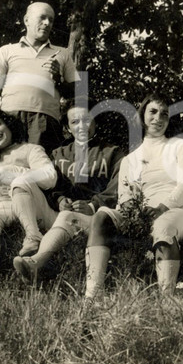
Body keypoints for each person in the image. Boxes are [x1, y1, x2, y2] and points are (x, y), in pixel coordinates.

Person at [83, 93, 183, 298]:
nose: (158, 118)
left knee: (163, 226)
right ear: (143, 115)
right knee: (101, 216)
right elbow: (125, 196)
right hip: (142, 212)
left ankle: (166, 298)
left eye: (164, 114)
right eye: (153, 112)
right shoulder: (129, 159)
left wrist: (161, 208)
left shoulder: (181, 147)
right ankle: (91, 295)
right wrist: (132, 212)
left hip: (176, 209)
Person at [13, 97, 124, 284]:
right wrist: (59, 199)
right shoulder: (58, 153)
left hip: (93, 220)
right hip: (57, 214)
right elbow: (48, 186)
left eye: (87, 120)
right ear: (67, 127)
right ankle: (32, 237)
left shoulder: (112, 152)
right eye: (74, 121)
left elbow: (119, 186)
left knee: (68, 217)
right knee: (24, 181)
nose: (81, 126)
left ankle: (36, 263)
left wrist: (92, 205)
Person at [0, 109, 59, 298]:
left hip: (35, 207)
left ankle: (34, 237)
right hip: (5, 209)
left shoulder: (30, 149)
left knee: (19, 183)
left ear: (8, 124)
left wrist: (11, 172)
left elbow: (49, 178)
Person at [0, 1, 78, 153]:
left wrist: (58, 79)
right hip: (9, 119)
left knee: (42, 171)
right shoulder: (6, 51)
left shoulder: (63, 53)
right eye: (42, 18)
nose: (47, 23)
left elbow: (76, 93)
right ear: (26, 20)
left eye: (51, 20)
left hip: (46, 122)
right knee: (8, 169)